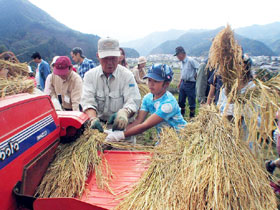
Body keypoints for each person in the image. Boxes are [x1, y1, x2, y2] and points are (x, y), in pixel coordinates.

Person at [105, 64, 187, 142]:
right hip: (165, 140)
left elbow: (145, 126)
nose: (151, 84)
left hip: (180, 138)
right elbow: (138, 121)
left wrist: (121, 135)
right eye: (149, 80)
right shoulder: (148, 98)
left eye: (156, 81)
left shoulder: (168, 104)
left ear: (166, 84)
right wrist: (116, 131)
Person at [81, 37, 141, 132]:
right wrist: (92, 119)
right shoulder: (90, 76)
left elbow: (133, 100)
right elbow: (87, 101)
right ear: (98, 56)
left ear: (119, 57)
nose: (109, 63)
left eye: (113, 58)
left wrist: (124, 113)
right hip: (98, 130)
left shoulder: (127, 76)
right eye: (105, 58)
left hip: (121, 129)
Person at [174, 46, 199, 118]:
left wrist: (196, 77)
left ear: (182, 53)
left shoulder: (191, 61)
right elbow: (182, 73)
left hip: (191, 83)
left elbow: (199, 68)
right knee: (181, 101)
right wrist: (180, 82)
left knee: (191, 101)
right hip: (183, 83)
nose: (177, 57)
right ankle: (182, 115)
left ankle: (192, 117)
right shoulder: (182, 63)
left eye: (178, 55)